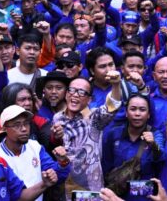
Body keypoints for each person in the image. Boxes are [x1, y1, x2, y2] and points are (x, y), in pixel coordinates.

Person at [52, 70, 122, 198]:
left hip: (89, 188)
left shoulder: (94, 118)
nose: (75, 95)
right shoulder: (57, 118)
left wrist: (116, 84)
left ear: (89, 99)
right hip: (64, 185)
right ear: (66, 93)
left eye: (82, 92)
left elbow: (113, 105)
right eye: (72, 90)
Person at [0, 105, 71, 201]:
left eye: (26, 123)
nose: (24, 129)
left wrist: (63, 162)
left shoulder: (35, 147)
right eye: (17, 125)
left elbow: (54, 176)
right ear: (4, 129)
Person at [102, 93, 164, 200]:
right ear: (126, 113)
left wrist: (153, 144)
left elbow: (161, 157)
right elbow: (105, 166)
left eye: (142, 110)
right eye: (133, 109)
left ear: (148, 114)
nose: (137, 114)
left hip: (144, 194)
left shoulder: (155, 134)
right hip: (116, 193)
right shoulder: (114, 134)